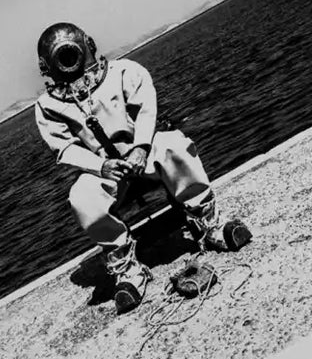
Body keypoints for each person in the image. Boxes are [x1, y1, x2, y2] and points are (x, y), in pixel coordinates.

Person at [32, 21, 247, 313]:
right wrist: (102, 166)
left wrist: (141, 147)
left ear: (88, 45)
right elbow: (65, 148)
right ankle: (126, 267)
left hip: (145, 155)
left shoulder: (125, 72)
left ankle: (208, 223)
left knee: (174, 145)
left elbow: (147, 108)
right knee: (82, 196)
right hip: (107, 173)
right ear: (48, 66)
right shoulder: (48, 107)